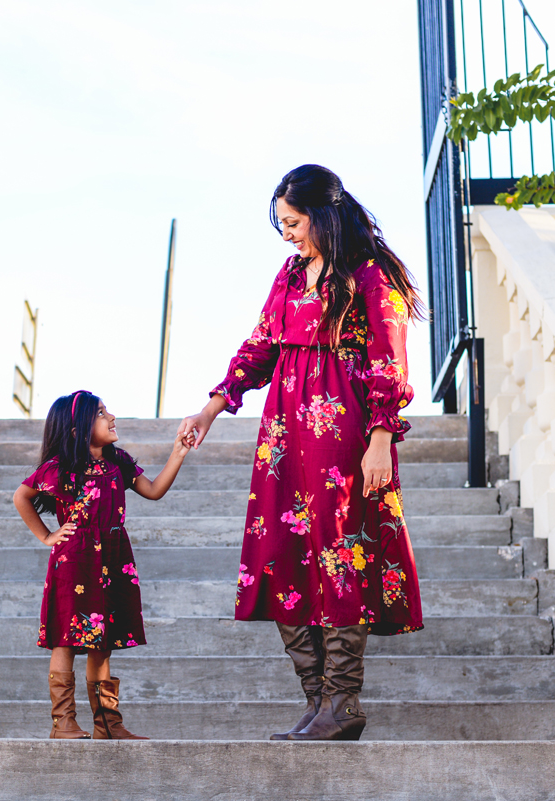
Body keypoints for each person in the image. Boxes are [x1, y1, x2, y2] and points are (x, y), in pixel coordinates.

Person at [178, 164, 426, 742]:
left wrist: (382, 439)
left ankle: (343, 701)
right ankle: (318, 703)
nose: (286, 233)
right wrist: (211, 408)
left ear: (323, 214)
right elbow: (263, 344)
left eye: (292, 222)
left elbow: (389, 359)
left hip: (345, 430)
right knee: (282, 554)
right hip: (284, 436)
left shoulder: (368, 275)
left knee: (340, 556)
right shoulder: (290, 276)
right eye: (281, 224)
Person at [13, 391, 192, 740]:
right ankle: (63, 722)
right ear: (78, 429)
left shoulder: (118, 462)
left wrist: (178, 453)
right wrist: (48, 536)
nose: (111, 417)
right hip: (75, 559)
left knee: (103, 643)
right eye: (101, 413)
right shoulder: (59, 469)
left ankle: (108, 724)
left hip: (112, 557)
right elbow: (22, 496)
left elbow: (154, 490)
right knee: (65, 640)